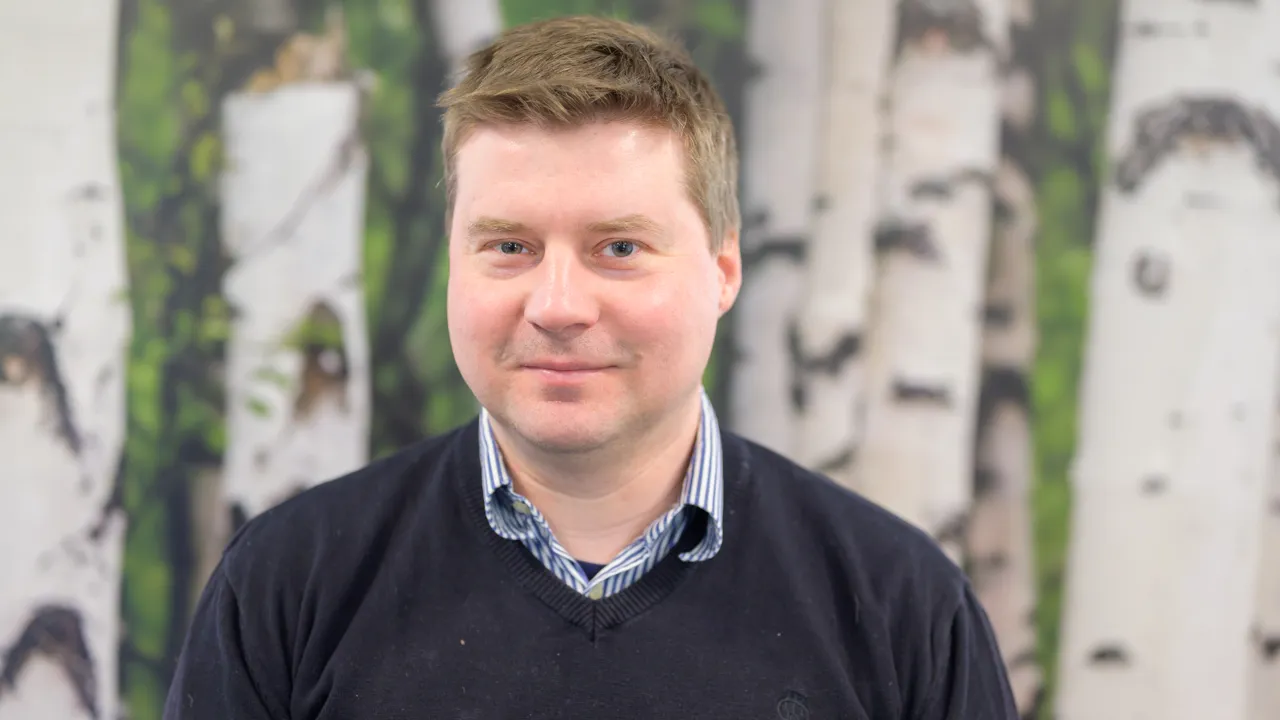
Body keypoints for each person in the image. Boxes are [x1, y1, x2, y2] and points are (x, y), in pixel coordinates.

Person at [163, 14, 1018, 719]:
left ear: (723, 268)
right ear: (455, 263)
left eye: (619, 247)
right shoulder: (288, 586)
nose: (558, 304)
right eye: (509, 246)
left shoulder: (900, 609)